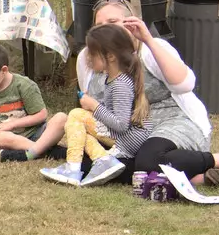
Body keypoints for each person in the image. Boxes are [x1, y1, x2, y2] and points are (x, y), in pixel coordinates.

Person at [21, 0, 219, 187]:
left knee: (147, 160)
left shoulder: (151, 48)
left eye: (113, 23)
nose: (107, 31)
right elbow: (99, 107)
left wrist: (148, 39)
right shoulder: (88, 57)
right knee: (92, 163)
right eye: (99, 25)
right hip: (124, 130)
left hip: (172, 122)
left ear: (131, 23)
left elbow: (185, 84)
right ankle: (191, 175)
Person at [41, 24, 149, 186]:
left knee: (76, 115)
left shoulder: (120, 84)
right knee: (79, 126)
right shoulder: (113, 79)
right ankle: (102, 159)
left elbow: (121, 125)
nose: (88, 57)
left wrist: (94, 106)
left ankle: (73, 167)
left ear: (111, 56)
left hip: (127, 139)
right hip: (122, 136)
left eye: (93, 53)